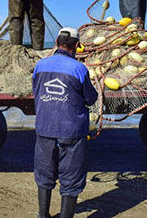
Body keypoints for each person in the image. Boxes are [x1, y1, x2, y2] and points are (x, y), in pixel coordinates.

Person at [32, 27, 98, 218]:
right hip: (72, 131)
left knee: (44, 175)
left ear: (56, 43)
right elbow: (91, 98)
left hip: (45, 128)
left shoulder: (40, 66)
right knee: (71, 178)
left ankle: (43, 215)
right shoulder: (79, 69)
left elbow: (36, 91)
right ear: (77, 46)